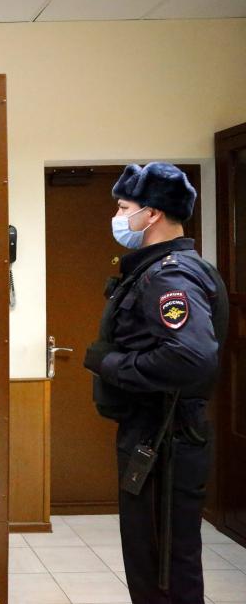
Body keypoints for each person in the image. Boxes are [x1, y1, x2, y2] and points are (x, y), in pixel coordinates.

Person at [84, 162, 228, 604]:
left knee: (162, 566)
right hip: (156, 433)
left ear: (152, 215)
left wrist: (112, 363)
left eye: (124, 207)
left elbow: (190, 356)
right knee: (155, 559)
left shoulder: (170, 275)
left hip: (165, 437)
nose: (118, 216)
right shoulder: (162, 268)